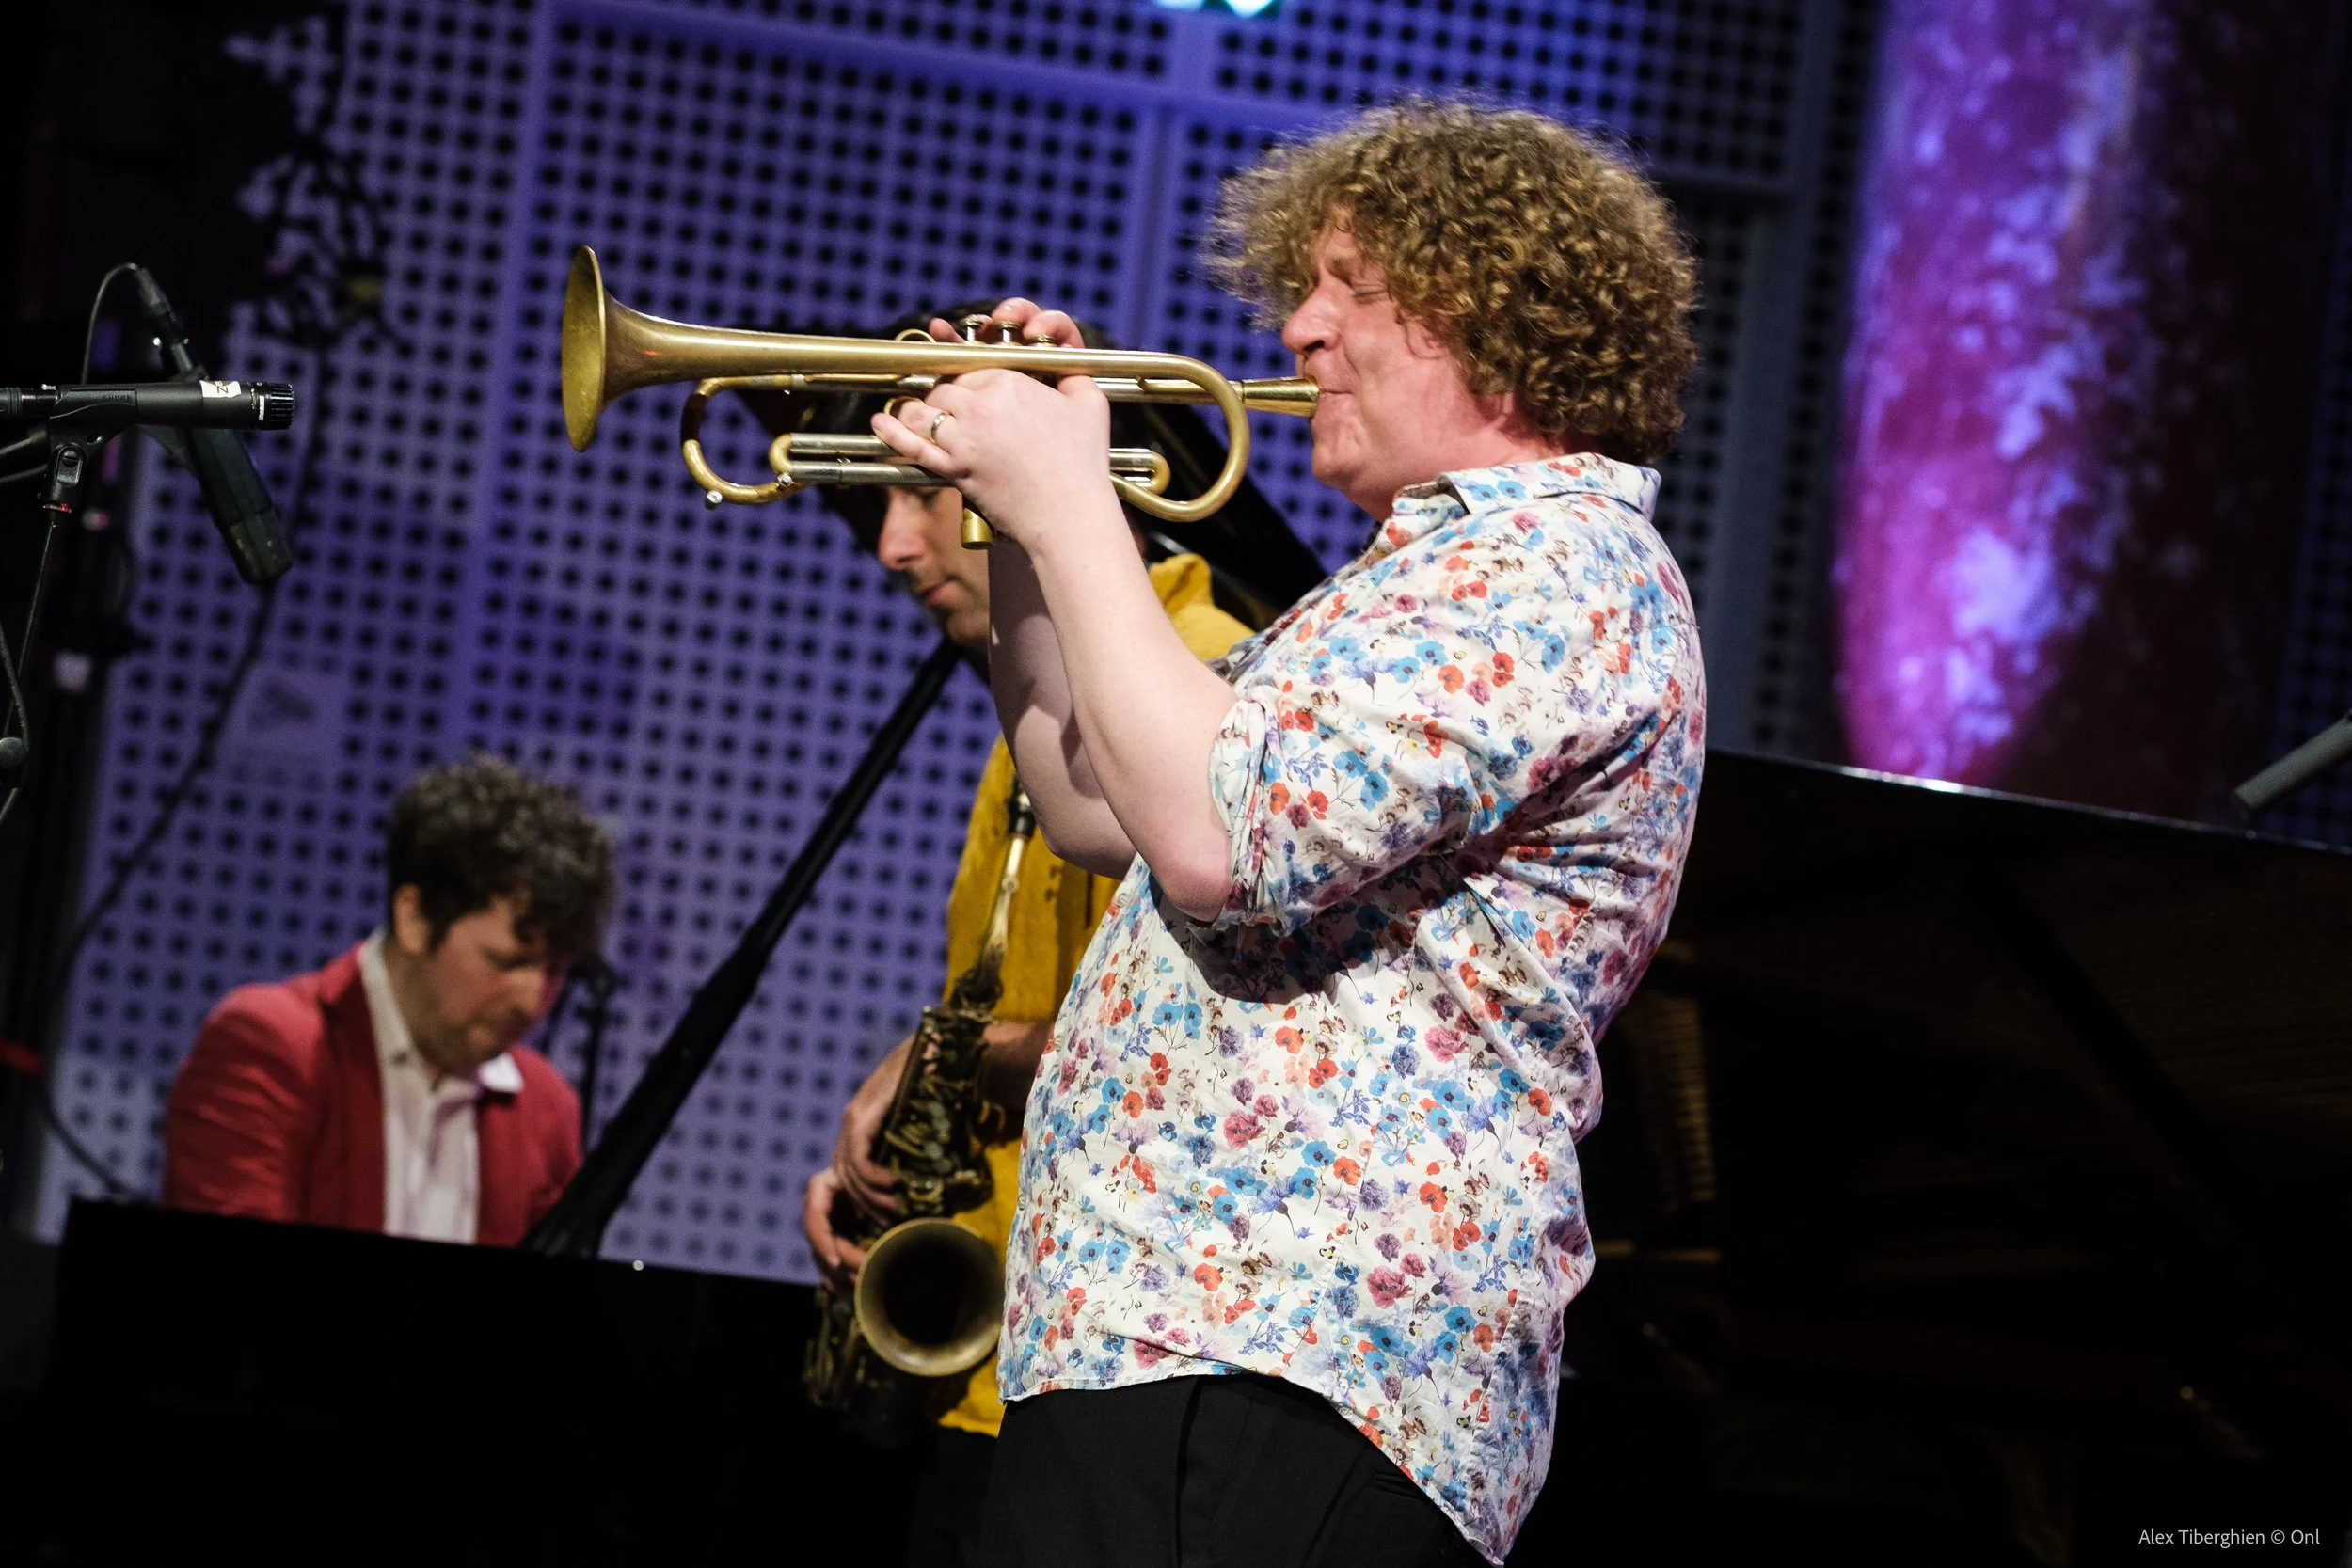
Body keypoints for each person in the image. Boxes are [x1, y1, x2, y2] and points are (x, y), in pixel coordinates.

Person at [869, 103, 1706, 1566]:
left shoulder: (1554, 571)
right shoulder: (1403, 583)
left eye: (1341, 285)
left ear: (1477, 303)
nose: (1300, 329)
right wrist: (1018, 534)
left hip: (1301, 1344)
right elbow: (1091, 803)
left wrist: (1068, 494)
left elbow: (1214, 840)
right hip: (1169, 1324)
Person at [781, 309, 1259, 1568]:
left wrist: (946, 1058)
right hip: (1002, 1345)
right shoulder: (1038, 702)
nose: (892, 547)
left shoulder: (1192, 682)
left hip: (1097, 1354)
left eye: (924, 496)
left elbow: (1196, 1038)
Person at [164, 752, 614, 1246]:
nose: (532, 1002)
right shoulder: (270, 1045)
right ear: (415, 919)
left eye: (555, 971)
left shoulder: (547, 1110)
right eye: (506, 962)